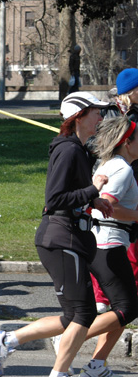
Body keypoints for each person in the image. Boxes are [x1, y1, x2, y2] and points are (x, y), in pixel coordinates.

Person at [0, 92, 114, 377]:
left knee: (74, 315)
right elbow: (54, 199)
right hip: (60, 238)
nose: (101, 118)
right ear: (78, 116)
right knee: (83, 313)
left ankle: (6, 340)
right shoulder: (68, 150)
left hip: (71, 237)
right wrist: (93, 189)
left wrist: (94, 201)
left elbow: (72, 192)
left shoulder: (79, 150)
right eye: (96, 112)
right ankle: (59, 372)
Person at [79, 116, 138, 377]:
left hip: (107, 243)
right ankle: (70, 339)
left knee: (122, 309)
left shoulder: (114, 164)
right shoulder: (122, 169)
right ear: (127, 142)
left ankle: (96, 364)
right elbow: (106, 207)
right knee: (128, 309)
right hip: (108, 244)